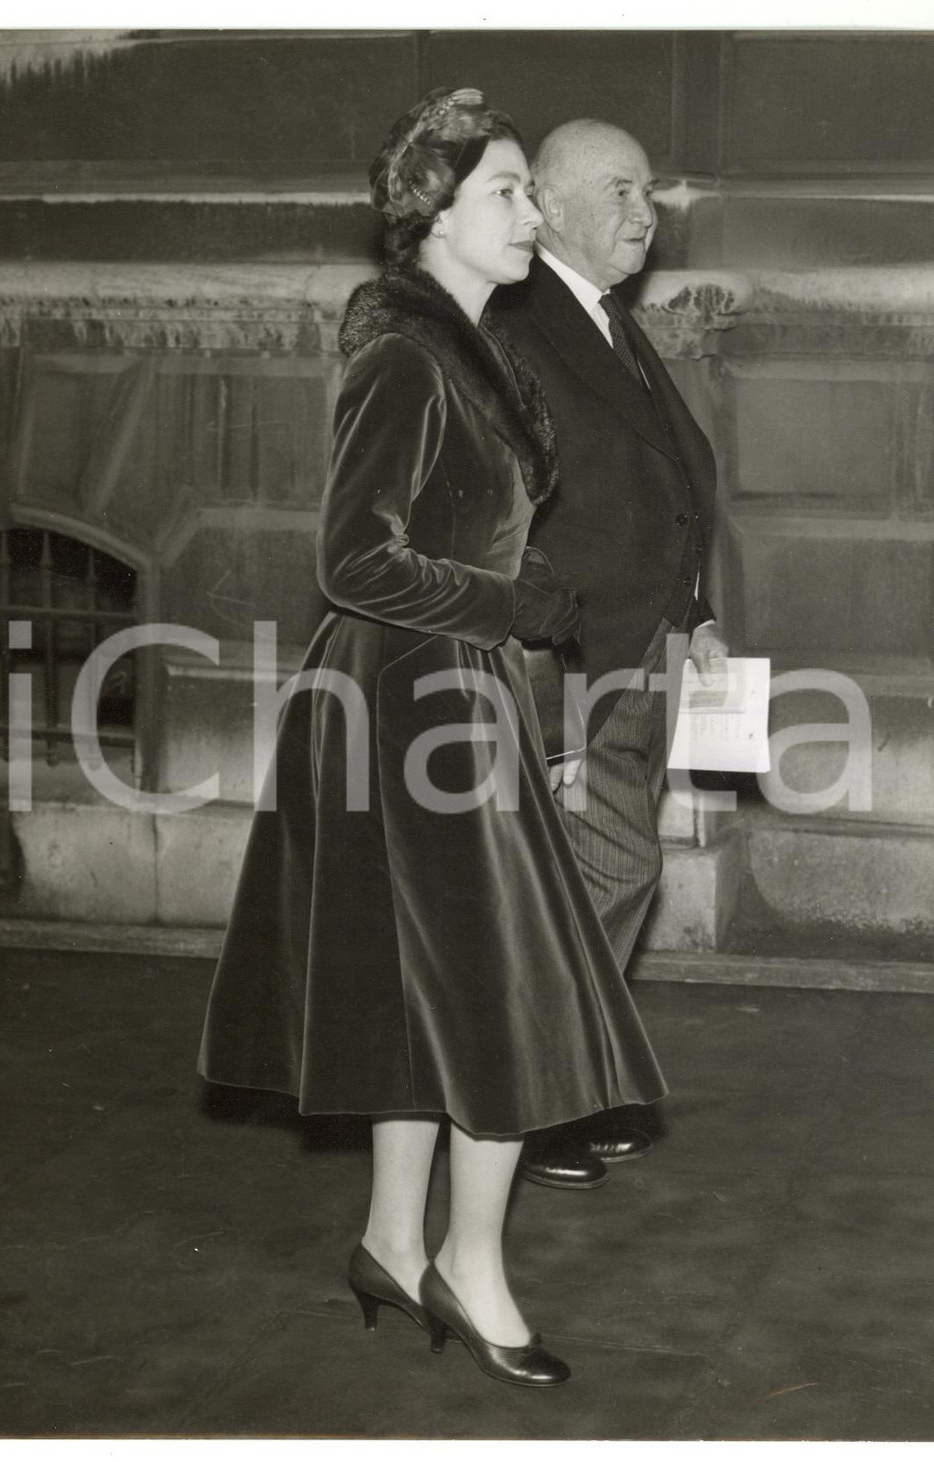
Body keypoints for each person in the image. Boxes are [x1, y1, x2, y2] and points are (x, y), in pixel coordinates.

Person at [197, 90, 666, 1387]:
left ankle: (396, 1243)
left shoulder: (463, 344)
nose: (531, 214)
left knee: (426, 989)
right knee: (511, 994)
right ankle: (472, 1263)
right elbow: (355, 560)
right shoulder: (409, 356)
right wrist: (514, 604)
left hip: (444, 697)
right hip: (416, 705)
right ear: (434, 215)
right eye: (508, 192)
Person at [491, 120, 729, 1192]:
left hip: (641, 647)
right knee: (607, 868)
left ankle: (563, 1084)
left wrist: (697, 608)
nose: (648, 214)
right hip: (573, 662)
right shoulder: (514, 324)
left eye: (651, 193)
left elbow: (663, 482)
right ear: (544, 201)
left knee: (595, 875)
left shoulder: (600, 319)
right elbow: (505, 519)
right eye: (622, 191)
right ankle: (533, 1099)